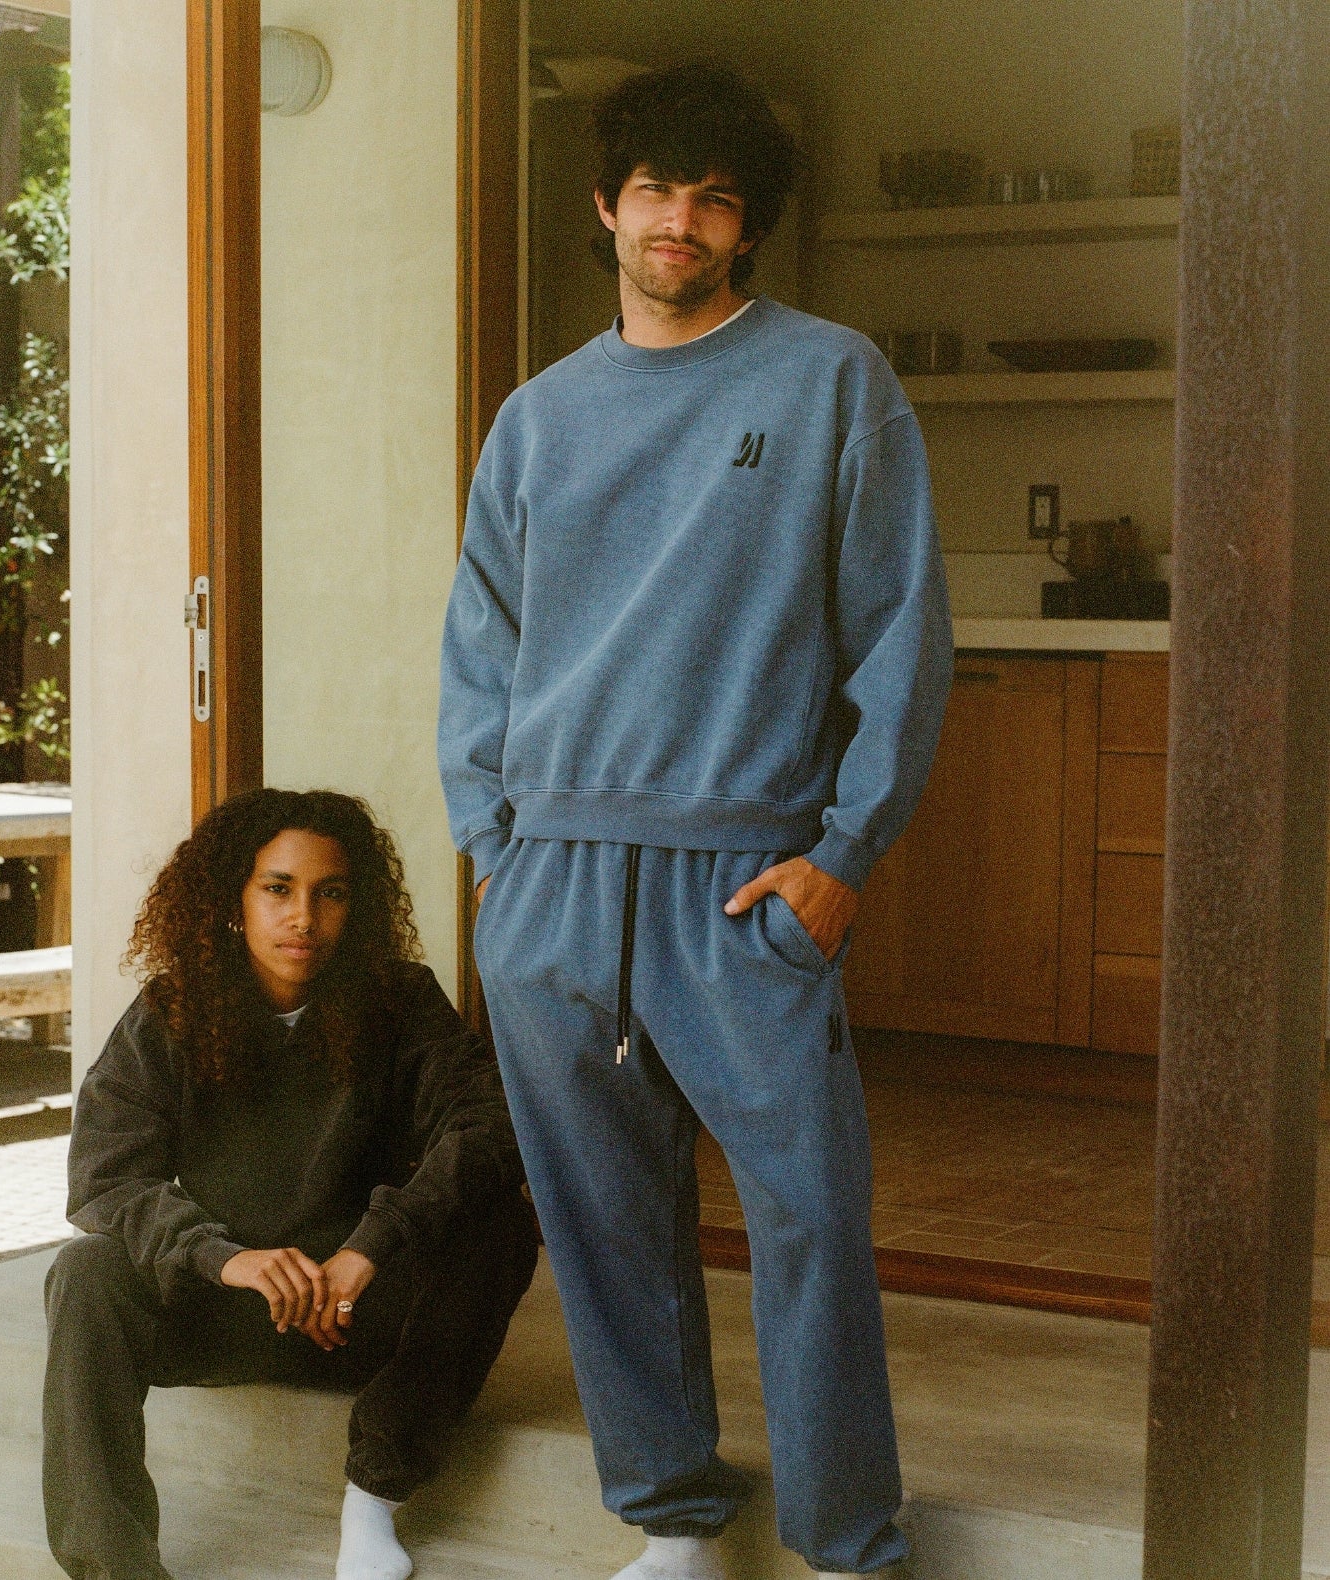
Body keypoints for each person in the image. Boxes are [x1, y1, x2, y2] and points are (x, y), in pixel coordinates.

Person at [439, 61, 952, 1580]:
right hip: (554, 880)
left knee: (809, 1213)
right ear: (606, 206)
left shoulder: (830, 380)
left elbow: (902, 632)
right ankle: (668, 1518)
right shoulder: (538, 419)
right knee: (601, 1222)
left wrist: (843, 854)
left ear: (746, 228)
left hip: (747, 879)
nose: (680, 219)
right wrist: (498, 855)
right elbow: (480, 648)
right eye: (655, 190)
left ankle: (848, 1538)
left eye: (714, 197)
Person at [42, 788, 538, 1580]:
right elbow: (104, 1177)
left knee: (501, 1227)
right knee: (86, 1271)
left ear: (356, 905)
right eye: (278, 889)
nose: (303, 916)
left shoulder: (400, 1001)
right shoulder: (173, 1011)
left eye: (329, 893)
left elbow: (489, 1123)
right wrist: (221, 1256)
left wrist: (370, 1247)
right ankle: (115, 1569)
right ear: (234, 900)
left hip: (353, 1312)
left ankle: (372, 1500)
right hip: (225, 1308)